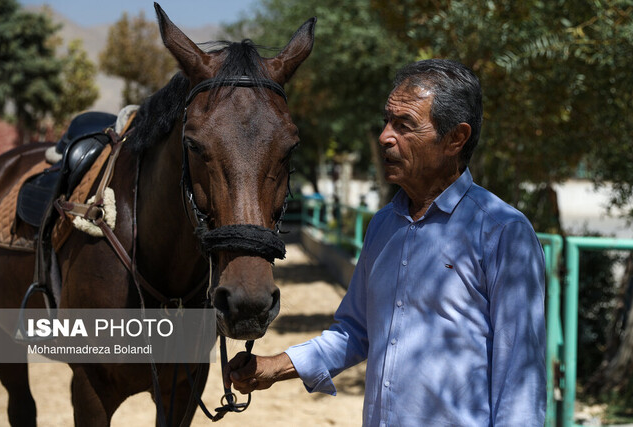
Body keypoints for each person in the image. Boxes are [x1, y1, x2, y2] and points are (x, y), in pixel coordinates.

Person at [224, 59, 546, 426]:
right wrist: (274, 367)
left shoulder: (503, 232)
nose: (385, 137)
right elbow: (356, 330)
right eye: (387, 121)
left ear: (455, 138)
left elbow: (520, 382)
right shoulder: (382, 226)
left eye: (405, 125)